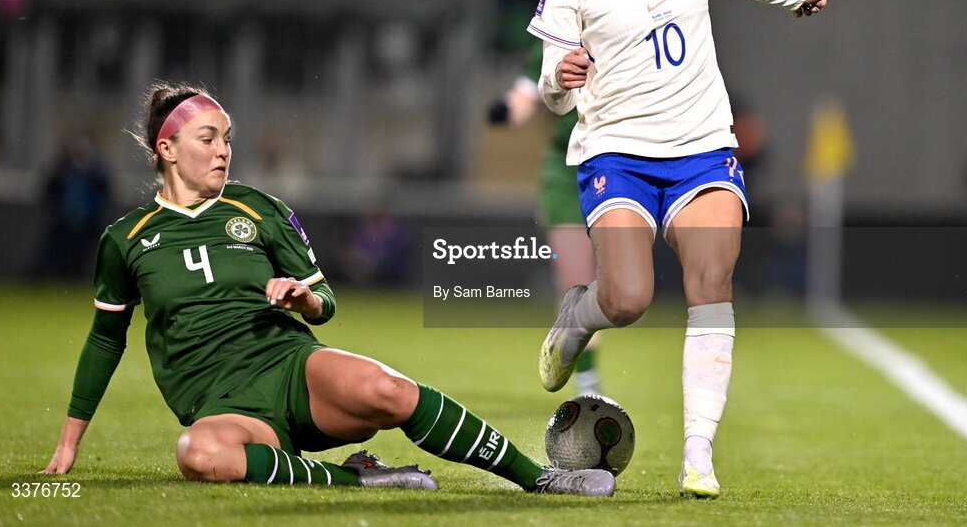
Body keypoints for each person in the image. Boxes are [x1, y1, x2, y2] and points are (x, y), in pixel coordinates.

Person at [41, 83, 615, 497]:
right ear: (166, 150)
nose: (223, 150)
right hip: (220, 406)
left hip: (290, 368)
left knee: (388, 388)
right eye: (207, 138)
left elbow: (327, 303)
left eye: (228, 139)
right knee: (198, 453)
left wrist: (303, 299)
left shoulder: (259, 210)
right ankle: (356, 477)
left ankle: (538, 476)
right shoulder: (126, 239)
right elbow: (104, 342)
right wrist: (69, 444)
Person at [529, 0, 830, 499]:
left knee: (710, 280)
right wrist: (562, 78)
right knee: (628, 298)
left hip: (701, 145)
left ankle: (699, 452)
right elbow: (551, 84)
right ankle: (579, 317)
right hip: (617, 151)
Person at [489, 48, 603, 396]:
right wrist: (506, 113)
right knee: (577, 284)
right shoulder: (555, 37)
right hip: (566, 172)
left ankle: (583, 372)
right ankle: (588, 388)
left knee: (616, 289)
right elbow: (525, 97)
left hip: (621, 166)